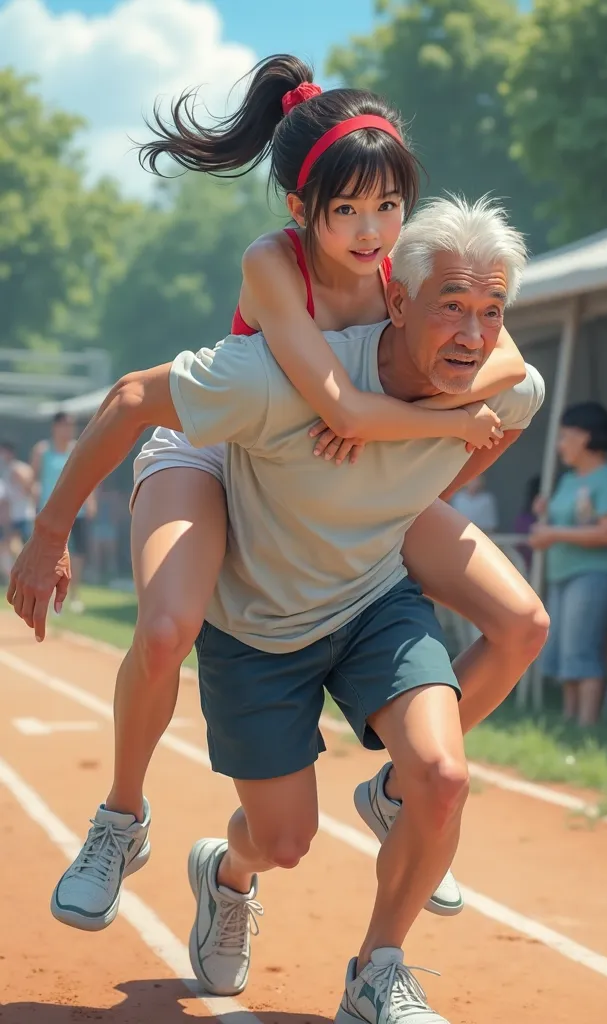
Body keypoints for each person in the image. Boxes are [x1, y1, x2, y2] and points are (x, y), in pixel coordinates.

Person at [9, 57, 547, 932]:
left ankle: (394, 794)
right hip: (223, 445)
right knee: (165, 627)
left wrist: (412, 458)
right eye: (347, 212)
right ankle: (120, 819)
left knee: (522, 622)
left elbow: (510, 361)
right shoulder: (273, 263)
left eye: (389, 207)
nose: (373, 232)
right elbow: (334, 405)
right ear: (301, 211)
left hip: (345, 461)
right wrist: (49, 533)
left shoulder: (405, 271)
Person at [530, 402, 607, 726]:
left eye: (564, 437)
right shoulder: (567, 480)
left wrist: (553, 532)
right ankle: (570, 720)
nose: (560, 445)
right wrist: (544, 513)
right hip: (564, 574)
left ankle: (587, 724)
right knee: (563, 647)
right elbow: (565, 523)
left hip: (598, 573)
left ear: (585, 436)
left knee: (580, 648)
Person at [31, 413, 95, 613]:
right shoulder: (42, 450)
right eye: (64, 426)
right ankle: (51, 598)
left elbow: (88, 476)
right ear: (55, 427)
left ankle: (74, 596)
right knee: (51, 556)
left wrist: (91, 501)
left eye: (71, 426)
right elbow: (34, 479)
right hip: (51, 510)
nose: (68, 430)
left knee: (78, 556)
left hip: (77, 510)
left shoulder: (78, 448)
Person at [0, 441, 35, 579]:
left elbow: (31, 489)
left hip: (24, 516)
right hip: (13, 517)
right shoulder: (6, 471)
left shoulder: (18, 468)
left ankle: (28, 576)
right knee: (8, 548)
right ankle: (17, 578)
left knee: (19, 548)